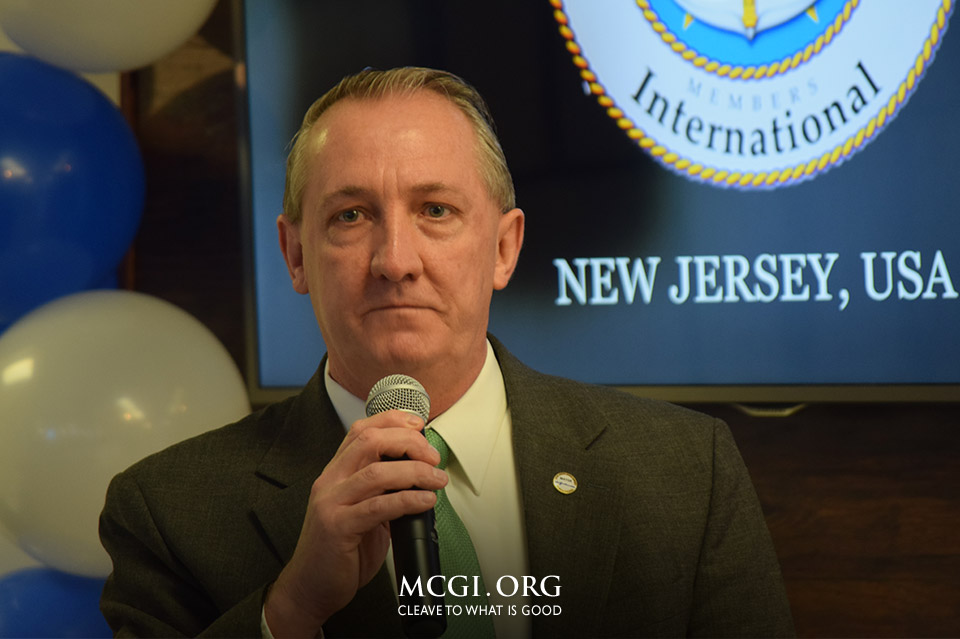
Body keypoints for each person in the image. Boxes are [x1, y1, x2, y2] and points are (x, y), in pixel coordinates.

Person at [99, 66, 794, 638]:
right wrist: (290, 610)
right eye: (351, 215)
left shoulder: (686, 473)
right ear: (294, 253)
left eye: (435, 210)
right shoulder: (165, 511)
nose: (395, 260)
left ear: (503, 246)